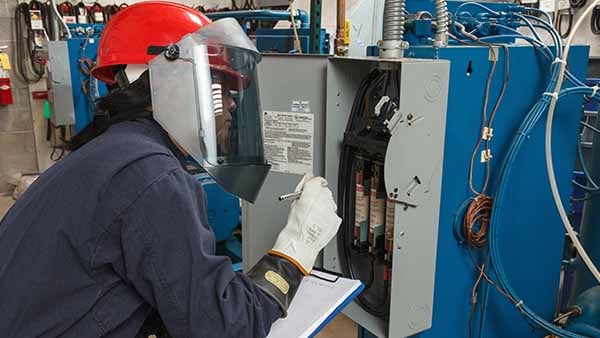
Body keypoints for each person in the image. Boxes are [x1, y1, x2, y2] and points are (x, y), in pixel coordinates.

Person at [0, 2, 341, 337]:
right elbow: (226, 327)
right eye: (218, 84)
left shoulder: (113, 150)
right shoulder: (150, 176)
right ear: (173, 80)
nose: (233, 103)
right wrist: (299, 244)